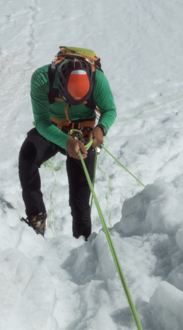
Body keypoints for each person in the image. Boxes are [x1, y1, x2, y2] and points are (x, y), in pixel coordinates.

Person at [18, 47, 117, 239]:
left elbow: (109, 110)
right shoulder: (41, 78)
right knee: (28, 154)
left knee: (80, 197)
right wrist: (65, 140)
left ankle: (82, 241)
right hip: (51, 129)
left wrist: (101, 128)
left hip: (83, 135)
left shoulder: (98, 79)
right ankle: (36, 216)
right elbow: (42, 122)